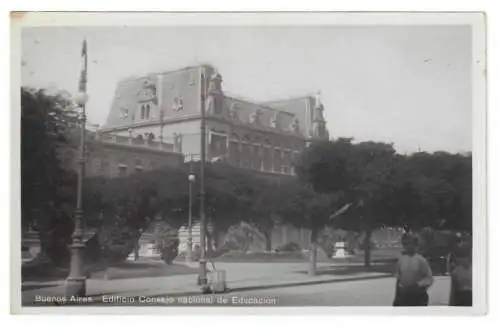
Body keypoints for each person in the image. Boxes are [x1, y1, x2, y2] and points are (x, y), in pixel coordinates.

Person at [393, 233, 434, 306]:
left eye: (409, 243)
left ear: (415, 244)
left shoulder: (421, 260)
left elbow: (429, 279)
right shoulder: (401, 260)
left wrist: (417, 285)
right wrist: (396, 299)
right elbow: (398, 280)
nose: (407, 246)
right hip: (404, 296)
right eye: (405, 244)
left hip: (417, 297)